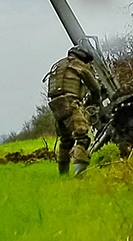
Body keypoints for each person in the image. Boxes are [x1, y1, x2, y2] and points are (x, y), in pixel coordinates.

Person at [44, 45, 102, 176]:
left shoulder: (59, 65)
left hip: (56, 105)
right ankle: (79, 174)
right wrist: (96, 102)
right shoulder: (78, 65)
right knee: (82, 137)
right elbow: (94, 87)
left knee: (66, 140)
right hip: (69, 102)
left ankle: (63, 174)